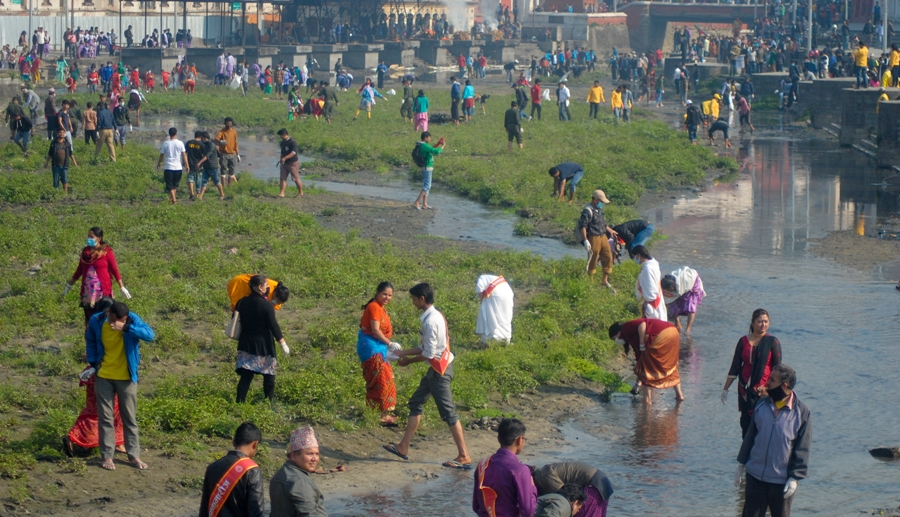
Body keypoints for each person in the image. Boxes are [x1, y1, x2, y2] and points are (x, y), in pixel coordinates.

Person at [382, 283, 472, 470]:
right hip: (437, 369)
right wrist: (403, 353)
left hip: (439, 372)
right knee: (416, 402)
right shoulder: (435, 315)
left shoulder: (430, 321)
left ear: (422, 299)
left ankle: (464, 455)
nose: (413, 303)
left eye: (414, 299)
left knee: (449, 413)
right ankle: (403, 447)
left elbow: (429, 353)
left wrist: (408, 361)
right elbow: (426, 348)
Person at [85, 300, 155, 470]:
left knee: (129, 418)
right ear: (109, 313)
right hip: (104, 376)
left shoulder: (131, 320)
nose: (120, 322)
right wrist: (93, 365)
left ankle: (134, 456)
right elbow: (91, 342)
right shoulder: (96, 321)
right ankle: (107, 456)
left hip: (127, 377)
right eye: (118, 320)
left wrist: (125, 328)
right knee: (106, 417)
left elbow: (149, 335)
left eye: (123, 319)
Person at [734, 364, 811, 517]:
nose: (767, 383)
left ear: (785, 385)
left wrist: (795, 477)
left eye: (772, 380)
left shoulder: (801, 412)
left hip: (781, 481)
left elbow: (802, 448)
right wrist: (741, 464)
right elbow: (750, 436)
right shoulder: (762, 404)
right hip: (755, 477)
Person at [64, 297, 126, 458]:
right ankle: (77, 437)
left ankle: (116, 442)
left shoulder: (94, 323)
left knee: (95, 409)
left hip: (95, 372)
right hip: (105, 373)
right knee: (110, 410)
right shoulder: (103, 327)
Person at [722, 308, 783, 437]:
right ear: (753, 323)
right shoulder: (743, 341)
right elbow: (735, 366)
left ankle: (761, 453)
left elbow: (777, 369)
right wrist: (726, 388)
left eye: (766, 321)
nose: (763, 324)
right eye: (760, 321)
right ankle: (747, 454)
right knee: (745, 424)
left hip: (763, 390)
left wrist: (768, 388)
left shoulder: (772, 342)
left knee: (762, 423)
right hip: (744, 389)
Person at [233, 274, 290, 403]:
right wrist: (283, 344)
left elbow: (235, 318)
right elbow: (273, 326)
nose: (268, 287)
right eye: (266, 285)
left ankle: (240, 402)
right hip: (263, 345)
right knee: (269, 376)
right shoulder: (266, 306)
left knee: (246, 377)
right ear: (260, 287)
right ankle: (268, 403)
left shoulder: (241, 302)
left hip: (246, 344)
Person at [64, 227, 131, 325]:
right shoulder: (85, 253)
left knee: (103, 317)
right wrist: (69, 285)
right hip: (88, 293)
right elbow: (79, 270)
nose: (89, 239)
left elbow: (114, 270)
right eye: (88, 236)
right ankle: (91, 337)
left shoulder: (107, 252)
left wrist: (122, 287)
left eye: (91, 237)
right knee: (91, 319)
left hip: (102, 292)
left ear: (99, 238)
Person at [608, 318, 684, 404]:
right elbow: (641, 362)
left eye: (615, 339)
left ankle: (647, 401)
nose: (616, 341)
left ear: (618, 332)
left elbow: (642, 324)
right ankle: (679, 395)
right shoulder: (630, 337)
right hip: (673, 332)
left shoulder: (625, 328)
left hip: (662, 335)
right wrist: (636, 386)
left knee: (648, 368)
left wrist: (641, 344)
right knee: (670, 365)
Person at [356, 282, 400, 426]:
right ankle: (381, 414)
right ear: (377, 293)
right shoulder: (374, 307)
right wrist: (390, 344)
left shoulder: (380, 308)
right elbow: (375, 330)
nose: (387, 297)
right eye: (384, 294)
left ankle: (379, 412)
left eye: (390, 295)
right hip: (371, 348)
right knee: (380, 379)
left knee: (383, 378)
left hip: (378, 347)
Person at [472, 418, 537, 517]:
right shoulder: (520, 470)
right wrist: (532, 488)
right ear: (519, 440)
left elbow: (476, 506)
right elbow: (528, 512)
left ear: (498, 438)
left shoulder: (482, 465)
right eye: (524, 439)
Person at [199, 422, 265, 517]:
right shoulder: (252, 470)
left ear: (234, 442)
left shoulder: (212, 467)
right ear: (255, 444)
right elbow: (256, 512)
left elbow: (204, 510)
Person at [270, 426, 328, 517]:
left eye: (317, 454)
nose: (315, 459)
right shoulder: (300, 481)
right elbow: (309, 514)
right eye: (309, 454)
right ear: (293, 456)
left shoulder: (280, 475)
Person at [532, 462, 614, 517]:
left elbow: (563, 499)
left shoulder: (542, 476)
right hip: (601, 485)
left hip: (594, 486)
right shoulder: (542, 475)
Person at [578, 190, 617, 290]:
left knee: (608, 256)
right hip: (593, 238)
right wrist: (585, 240)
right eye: (601, 201)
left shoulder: (599, 210)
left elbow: (603, 224)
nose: (602, 203)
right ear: (595, 200)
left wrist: (610, 230)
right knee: (593, 259)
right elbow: (583, 227)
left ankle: (604, 279)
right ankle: (591, 279)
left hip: (603, 236)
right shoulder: (587, 211)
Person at [661, 266, 705, 336]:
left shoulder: (686, 280)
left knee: (691, 306)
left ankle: (688, 328)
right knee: (673, 303)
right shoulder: (666, 282)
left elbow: (682, 290)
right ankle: (677, 323)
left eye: (670, 290)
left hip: (691, 285)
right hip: (680, 287)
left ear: (673, 286)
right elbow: (667, 299)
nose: (669, 291)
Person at [631, 245, 667, 321]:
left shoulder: (647, 270)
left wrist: (645, 304)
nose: (634, 259)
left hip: (652, 306)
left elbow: (651, 295)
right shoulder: (653, 264)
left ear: (638, 255)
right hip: (657, 300)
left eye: (634, 257)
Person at [475, 274, 513, 343]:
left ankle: (490, 338)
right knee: (505, 315)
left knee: (490, 315)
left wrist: (482, 302)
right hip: (508, 292)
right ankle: (505, 339)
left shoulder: (481, 278)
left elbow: (480, 289)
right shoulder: (491, 279)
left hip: (495, 293)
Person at [156, 127, 188, 204]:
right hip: (178, 167)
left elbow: (161, 155)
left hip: (168, 167)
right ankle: (173, 199)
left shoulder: (166, 143)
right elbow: (184, 155)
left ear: (169, 134)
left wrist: (159, 163)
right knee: (175, 185)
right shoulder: (180, 143)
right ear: (176, 133)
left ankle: (173, 199)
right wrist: (187, 165)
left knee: (169, 185)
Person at [412, 131, 443, 210]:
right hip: (427, 167)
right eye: (429, 137)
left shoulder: (421, 145)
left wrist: (438, 144)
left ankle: (425, 204)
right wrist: (443, 146)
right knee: (427, 186)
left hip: (426, 167)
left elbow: (432, 149)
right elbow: (436, 151)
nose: (430, 139)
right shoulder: (424, 146)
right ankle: (417, 202)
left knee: (427, 186)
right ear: (425, 138)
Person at [43, 127, 77, 194]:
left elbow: (71, 154)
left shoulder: (67, 143)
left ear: (65, 133)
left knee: (65, 179)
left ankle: (66, 194)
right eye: (60, 132)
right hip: (55, 165)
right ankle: (56, 194)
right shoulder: (54, 143)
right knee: (56, 181)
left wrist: (74, 161)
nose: (62, 134)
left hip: (65, 165)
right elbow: (50, 154)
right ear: (57, 133)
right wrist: (46, 162)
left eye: (63, 132)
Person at [277, 128, 304, 198]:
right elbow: (282, 152)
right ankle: (281, 193)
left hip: (292, 163)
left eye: (281, 136)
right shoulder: (282, 143)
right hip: (284, 163)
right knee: (282, 178)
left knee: (295, 178)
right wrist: (281, 159)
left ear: (284, 135)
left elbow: (293, 153)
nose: (281, 138)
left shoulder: (293, 142)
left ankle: (300, 192)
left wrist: (285, 158)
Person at [198, 132, 225, 200]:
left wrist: (200, 162)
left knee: (216, 180)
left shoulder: (211, 145)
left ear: (205, 138)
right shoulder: (205, 144)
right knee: (204, 181)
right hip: (206, 166)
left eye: (202, 138)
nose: (201, 140)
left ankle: (222, 194)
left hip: (212, 166)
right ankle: (200, 196)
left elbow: (207, 155)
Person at [215, 117, 240, 186]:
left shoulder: (234, 132)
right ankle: (223, 187)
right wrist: (221, 141)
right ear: (225, 123)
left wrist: (238, 154)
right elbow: (216, 139)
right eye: (227, 123)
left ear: (232, 124)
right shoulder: (222, 132)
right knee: (223, 171)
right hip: (224, 154)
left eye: (230, 123)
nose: (229, 125)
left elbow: (236, 144)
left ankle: (229, 186)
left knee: (232, 172)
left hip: (232, 154)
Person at [185, 131, 207, 201]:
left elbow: (185, 153)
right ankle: (197, 194)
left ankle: (192, 192)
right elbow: (205, 155)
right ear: (201, 136)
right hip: (199, 165)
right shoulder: (202, 145)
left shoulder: (189, 143)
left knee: (190, 178)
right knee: (199, 179)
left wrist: (185, 163)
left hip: (190, 164)